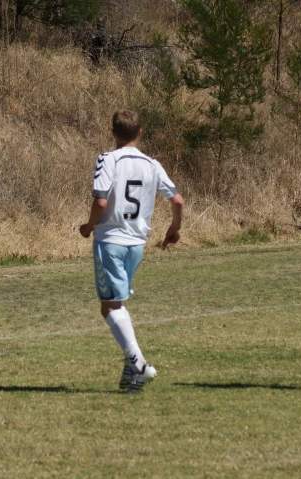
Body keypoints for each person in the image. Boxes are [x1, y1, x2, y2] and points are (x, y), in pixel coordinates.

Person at [79, 108, 185, 393]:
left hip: (111, 240)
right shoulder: (152, 164)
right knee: (116, 303)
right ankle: (130, 372)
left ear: (112, 133)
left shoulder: (107, 159)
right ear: (140, 133)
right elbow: (177, 200)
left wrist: (89, 226)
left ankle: (139, 365)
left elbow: (101, 202)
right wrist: (174, 228)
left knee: (110, 306)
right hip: (137, 244)